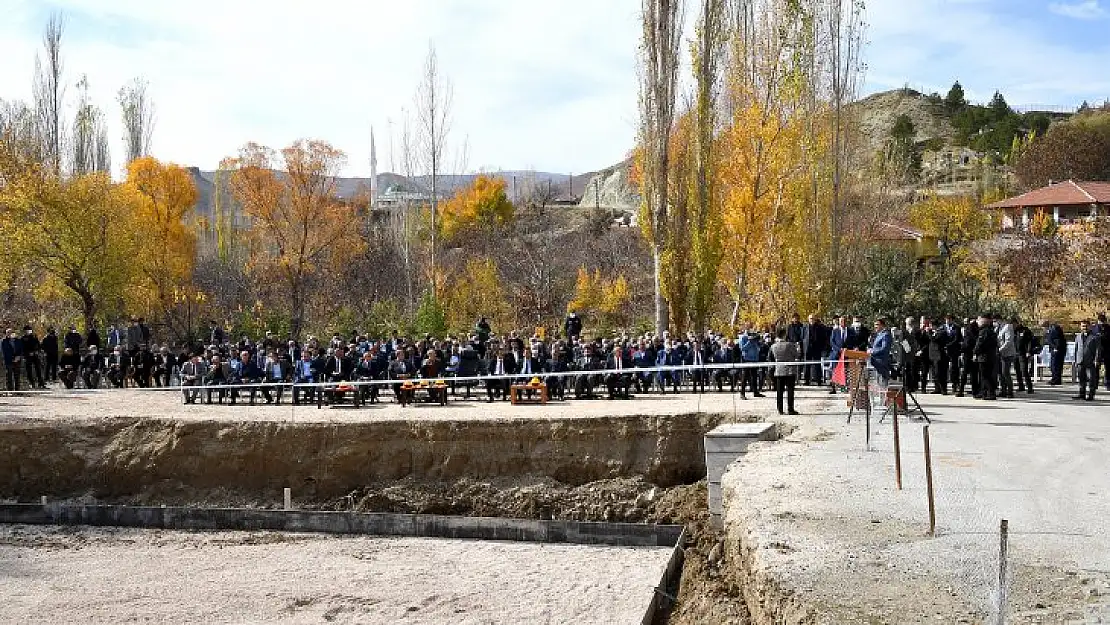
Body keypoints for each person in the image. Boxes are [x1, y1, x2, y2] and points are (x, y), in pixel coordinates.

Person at [769, 329, 800, 415]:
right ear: (784, 335)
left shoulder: (773, 346)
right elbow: (796, 355)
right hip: (789, 370)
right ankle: (790, 409)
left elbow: (770, 358)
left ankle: (780, 409)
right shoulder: (789, 345)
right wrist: (798, 348)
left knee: (779, 391)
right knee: (790, 391)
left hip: (778, 370)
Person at [1074, 320, 1101, 402]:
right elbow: (1076, 349)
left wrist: (1097, 360)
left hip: (1090, 361)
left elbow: (1098, 349)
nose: (1084, 328)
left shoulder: (1095, 337)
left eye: (1086, 326)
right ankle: (1082, 394)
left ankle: (1091, 394)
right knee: (1081, 378)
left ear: (1089, 326)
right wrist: (1075, 360)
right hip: (1080, 360)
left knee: (1091, 379)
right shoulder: (1078, 336)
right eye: (1082, 326)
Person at [974, 314, 999, 401]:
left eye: (979, 320)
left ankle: (991, 393)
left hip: (984, 357)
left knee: (985, 375)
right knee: (985, 375)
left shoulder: (984, 331)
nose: (978, 321)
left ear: (984, 321)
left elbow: (980, 344)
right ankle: (983, 392)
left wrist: (975, 352)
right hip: (991, 356)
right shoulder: (992, 331)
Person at [997, 316, 1017, 398]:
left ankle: (1010, 391)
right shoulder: (1000, 328)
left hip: (1007, 353)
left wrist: (1000, 349)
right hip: (1002, 354)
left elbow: (1008, 341)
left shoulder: (1008, 327)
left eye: (996, 320)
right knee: (1001, 373)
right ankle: (1003, 390)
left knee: (1005, 373)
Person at [868, 318, 892, 386]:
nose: (875, 326)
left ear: (882, 325)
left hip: (881, 362)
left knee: (883, 385)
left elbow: (884, 348)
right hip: (876, 363)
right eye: (874, 325)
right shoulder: (879, 334)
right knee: (879, 384)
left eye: (877, 325)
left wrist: (872, 351)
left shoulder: (886, 335)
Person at [1043, 320, 1066, 385]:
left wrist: (1056, 347)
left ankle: (1056, 379)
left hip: (1057, 350)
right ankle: (1056, 379)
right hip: (1056, 349)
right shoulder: (1051, 329)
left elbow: (1057, 339)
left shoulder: (1054, 329)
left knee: (1055, 365)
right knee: (1055, 365)